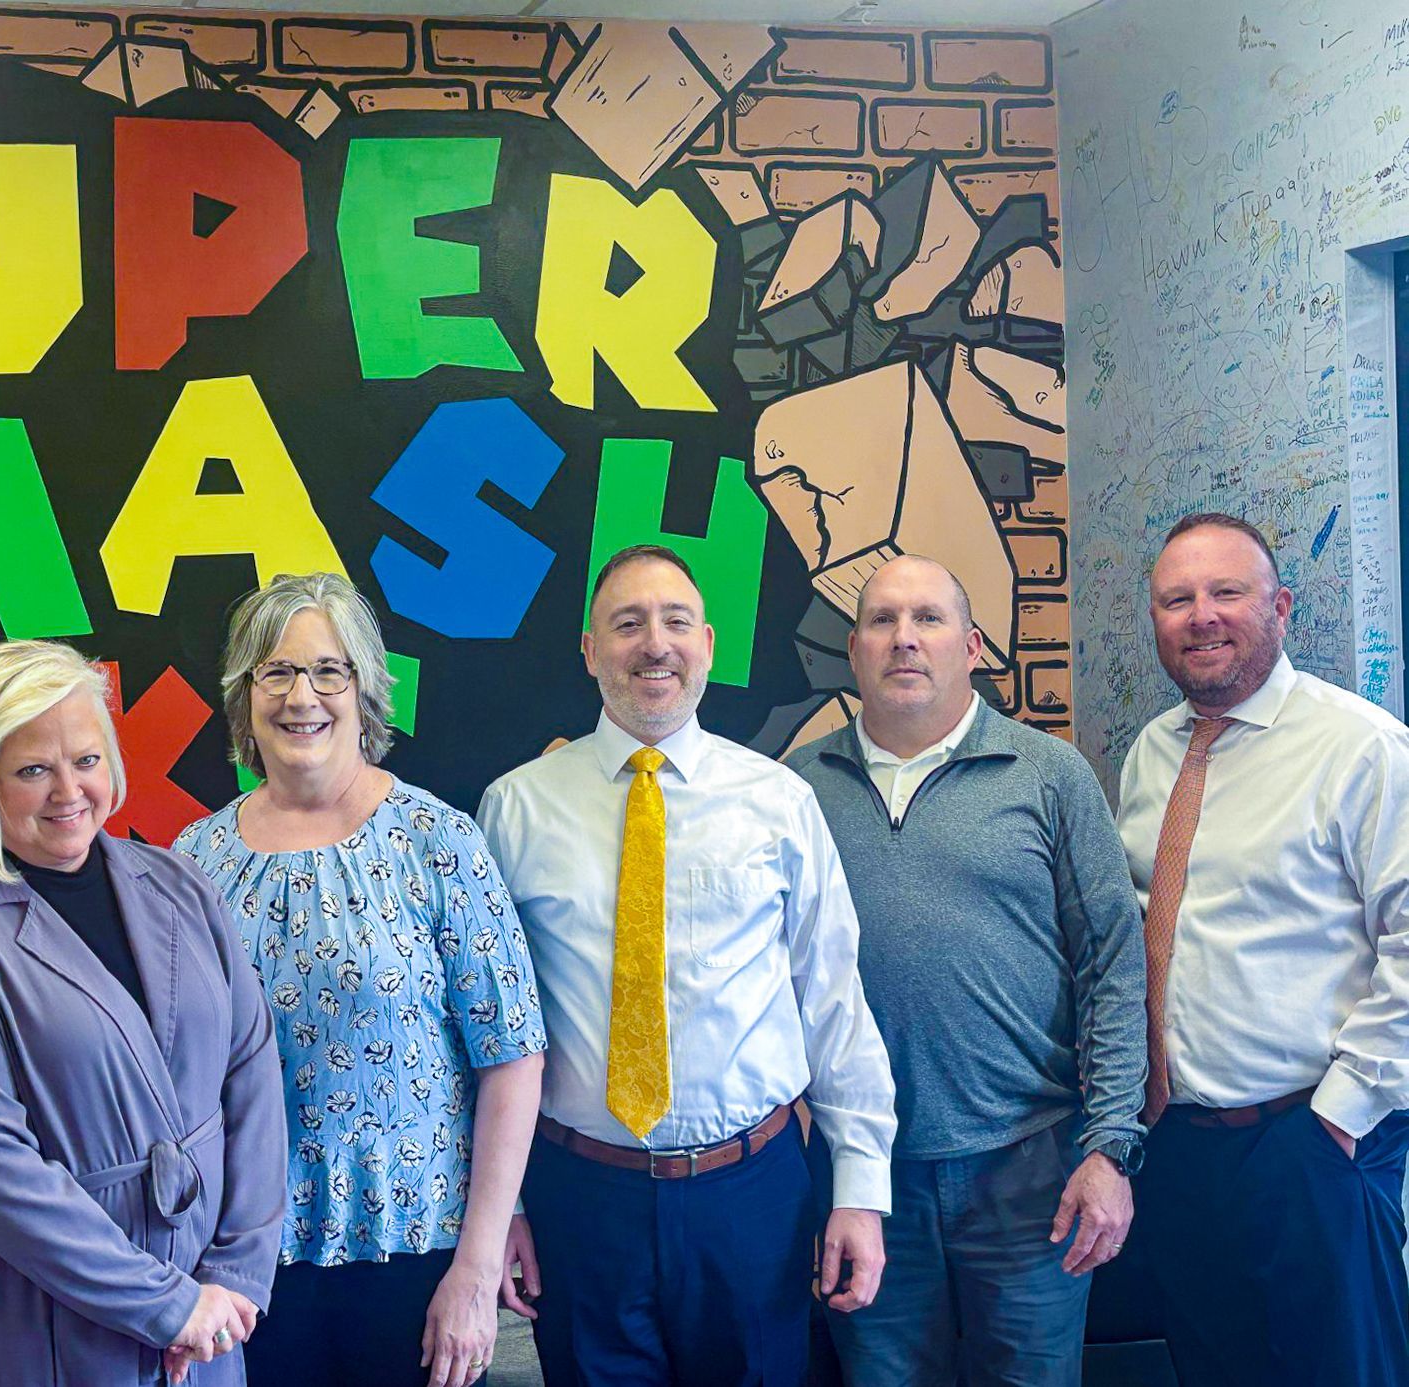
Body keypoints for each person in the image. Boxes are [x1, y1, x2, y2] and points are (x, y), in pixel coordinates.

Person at [478, 543, 898, 1387]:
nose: (654, 644)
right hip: (579, 1198)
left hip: (752, 1198)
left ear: (707, 643)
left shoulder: (778, 801)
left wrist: (859, 1186)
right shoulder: (515, 807)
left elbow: (833, 999)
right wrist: (503, 1209)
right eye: (627, 623)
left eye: (675, 621)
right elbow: (487, 1029)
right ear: (589, 649)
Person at [0, 639, 284, 1385]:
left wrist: (235, 1274)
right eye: (33, 770)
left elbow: (251, 1069)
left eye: (86, 760)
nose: (69, 791)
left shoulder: (180, 883)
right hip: (26, 1321)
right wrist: (166, 1306)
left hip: (210, 1312)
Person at [176, 572, 546, 1387]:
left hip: (416, 1257)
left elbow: (514, 1057)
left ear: (364, 688)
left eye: (327, 671)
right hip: (241, 1265)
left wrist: (478, 1269)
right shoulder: (194, 861)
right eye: (275, 672)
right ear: (244, 695)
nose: (300, 696)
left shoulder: (438, 840)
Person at [787, 555, 1146, 1387]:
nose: (904, 638)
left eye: (929, 618)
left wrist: (1110, 1147)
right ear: (853, 647)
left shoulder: (1049, 775)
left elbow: (1113, 967)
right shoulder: (795, 789)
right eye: (881, 620)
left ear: (973, 645)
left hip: (1031, 1173)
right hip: (861, 1177)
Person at [1116, 513, 1409, 1387]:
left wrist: (1340, 1116)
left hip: (1311, 1143)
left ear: (1280, 608)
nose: (1201, 615)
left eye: (1226, 592)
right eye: (1177, 599)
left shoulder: (1360, 746)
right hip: (1181, 1150)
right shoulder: (1150, 754)